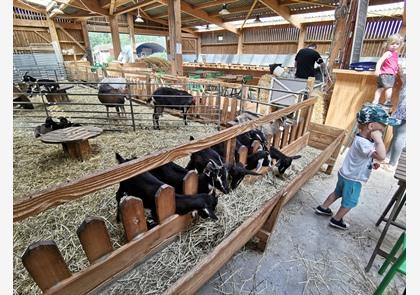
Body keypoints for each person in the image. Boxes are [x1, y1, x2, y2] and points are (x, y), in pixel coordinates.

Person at [314, 103, 401, 230]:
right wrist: (379, 140)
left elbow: (366, 157)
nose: (383, 130)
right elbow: (382, 156)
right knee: (350, 202)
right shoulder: (364, 143)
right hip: (353, 179)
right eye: (382, 128)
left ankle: (323, 208)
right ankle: (336, 220)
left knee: (337, 192)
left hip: (346, 174)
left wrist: (371, 163)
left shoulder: (362, 140)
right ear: (371, 126)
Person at [383, 70, 406, 171]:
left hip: (406, 107)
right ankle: (388, 157)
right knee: (397, 132)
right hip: (402, 106)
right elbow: (402, 76)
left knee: (400, 134)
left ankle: (392, 164)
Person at [372, 33, 404, 106]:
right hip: (388, 74)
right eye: (392, 44)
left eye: (397, 44)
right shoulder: (388, 53)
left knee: (380, 88)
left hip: (385, 74)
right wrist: (377, 70)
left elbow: (394, 64)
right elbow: (380, 61)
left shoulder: (395, 53)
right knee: (389, 88)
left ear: (400, 45)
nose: (394, 45)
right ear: (388, 44)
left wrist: (397, 70)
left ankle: (375, 101)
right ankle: (387, 101)